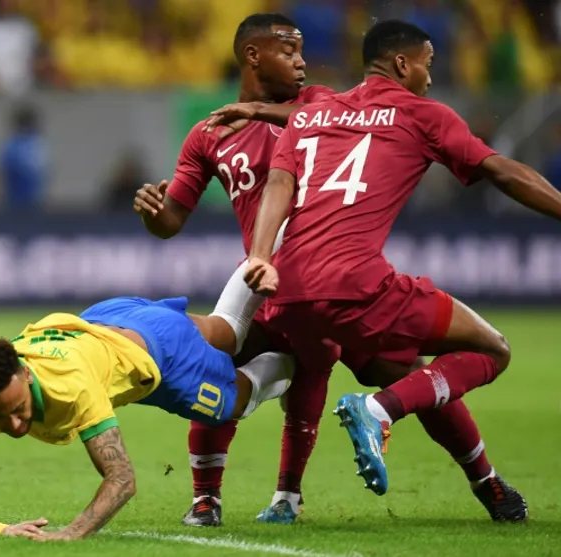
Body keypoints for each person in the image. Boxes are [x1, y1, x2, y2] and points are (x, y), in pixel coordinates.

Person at [137, 13, 524, 525]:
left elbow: (321, 119)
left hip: (330, 272)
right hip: (268, 282)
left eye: (301, 51)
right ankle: (211, 498)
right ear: (252, 55)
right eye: (288, 51)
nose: (301, 62)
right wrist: (154, 213)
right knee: (221, 370)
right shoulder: (209, 134)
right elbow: (172, 220)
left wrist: (259, 110)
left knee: (411, 376)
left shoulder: (324, 104)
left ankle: (484, 480)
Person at [244, 19, 561, 521]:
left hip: (287, 292)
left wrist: (260, 257)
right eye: (428, 65)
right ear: (401, 64)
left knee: (418, 377)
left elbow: (279, 185)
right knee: (491, 349)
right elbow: (501, 170)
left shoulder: (313, 113)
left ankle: (487, 486)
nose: (430, 77)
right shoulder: (422, 114)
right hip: (357, 286)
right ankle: (375, 411)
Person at [0, 296, 292, 541]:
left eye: (19, 409)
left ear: (27, 375)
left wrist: (71, 533)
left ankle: (301, 360)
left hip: (163, 356)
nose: (16, 426)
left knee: (236, 404)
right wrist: (2, 530)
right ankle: (265, 263)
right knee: (226, 332)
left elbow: (122, 479)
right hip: (107, 318)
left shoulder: (69, 386)